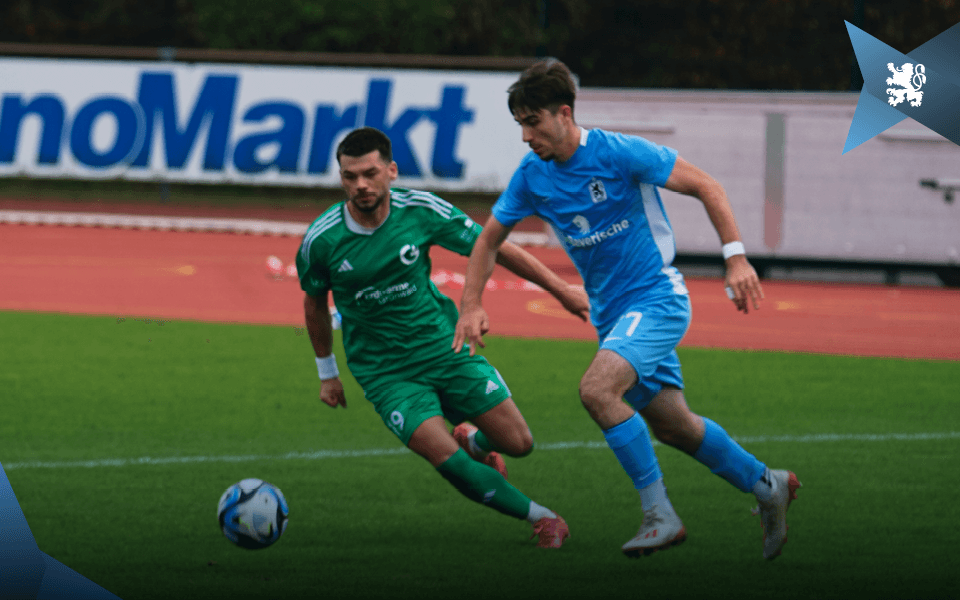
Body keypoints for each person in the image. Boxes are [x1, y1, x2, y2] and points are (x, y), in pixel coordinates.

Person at [453, 59, 801, 560]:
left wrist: (736, 257)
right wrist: (471, 304)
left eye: (533, 122)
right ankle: (768, 484)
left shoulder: (618, 152)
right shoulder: (532, 176)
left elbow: (708, 185)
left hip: (656, 300)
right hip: (614, 319)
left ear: (564, 114)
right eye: (520, 125)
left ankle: (661, 515)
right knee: (675, 426)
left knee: (597, 390)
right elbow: (488, 242)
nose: (526, 136)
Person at [295, 126, 590, 549]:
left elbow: (493, 245)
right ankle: (542, 518)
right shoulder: (322, 241)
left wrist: (562, 290)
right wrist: (328, 373)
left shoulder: (420, 210)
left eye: (370, 173)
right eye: (349, 176)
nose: (360, 184)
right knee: (443, 457)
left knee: (519, 443)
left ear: (391, 171)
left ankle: (473, 438)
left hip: (444, 347)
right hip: (386, 372)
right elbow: (313, 304)